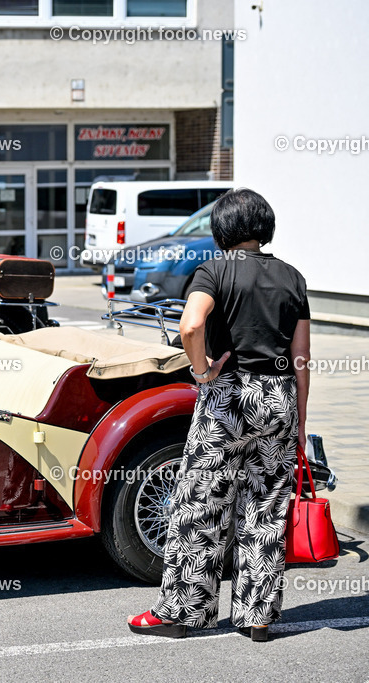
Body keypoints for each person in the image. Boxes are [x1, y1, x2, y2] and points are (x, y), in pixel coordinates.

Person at [129, 188, 311, 642]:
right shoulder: (293, 277)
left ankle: (183, 613)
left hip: (228, 396)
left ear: (222, 229)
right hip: (278, 397)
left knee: (201, 503)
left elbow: (190, 325)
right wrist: (300, 418)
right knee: (265, 507)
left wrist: (202, 371)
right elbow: (302, 356)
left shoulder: (213, 271)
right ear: (263, 227)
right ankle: (258, 617)